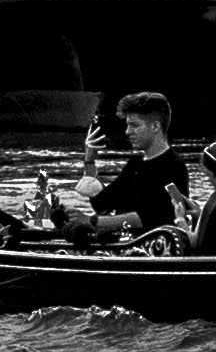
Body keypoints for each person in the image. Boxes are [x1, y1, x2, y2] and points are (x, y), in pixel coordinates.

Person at [46, 91, 207, 249]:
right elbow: (102, 203)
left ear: (155, 126)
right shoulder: (135, 164)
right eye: (128, 125)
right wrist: (90, 161)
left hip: (153, 248)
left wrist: (92, 221)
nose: (127, 131)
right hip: (123, 242)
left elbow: (149, 217)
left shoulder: (173, 165)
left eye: (134, 125)